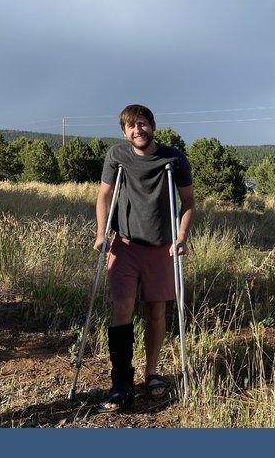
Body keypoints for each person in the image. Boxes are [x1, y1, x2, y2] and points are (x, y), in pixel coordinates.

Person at [94, 104, 195, 413]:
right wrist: (101, 233)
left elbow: (188, 202)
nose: (137, 130)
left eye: (142, 124)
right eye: (130, 126)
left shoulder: (174, 158)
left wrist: (181, 236)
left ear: (152, 125)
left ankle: (151, 374)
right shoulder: (117, 156)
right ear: (125, 132)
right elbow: (104, 195)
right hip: (124, 245)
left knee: (155, 312)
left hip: (161, 248)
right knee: (122, 307)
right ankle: (121, 383)